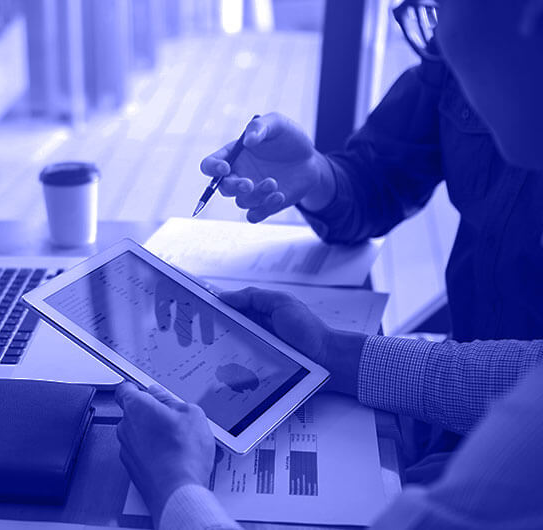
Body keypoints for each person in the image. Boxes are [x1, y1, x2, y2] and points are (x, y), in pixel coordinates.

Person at [115, 0, 543, 528]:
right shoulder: (486, 54)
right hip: (449, 413)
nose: (437, 42)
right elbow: (532, 372)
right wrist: (317, 176)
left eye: (440, 7)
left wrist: (176, 491)